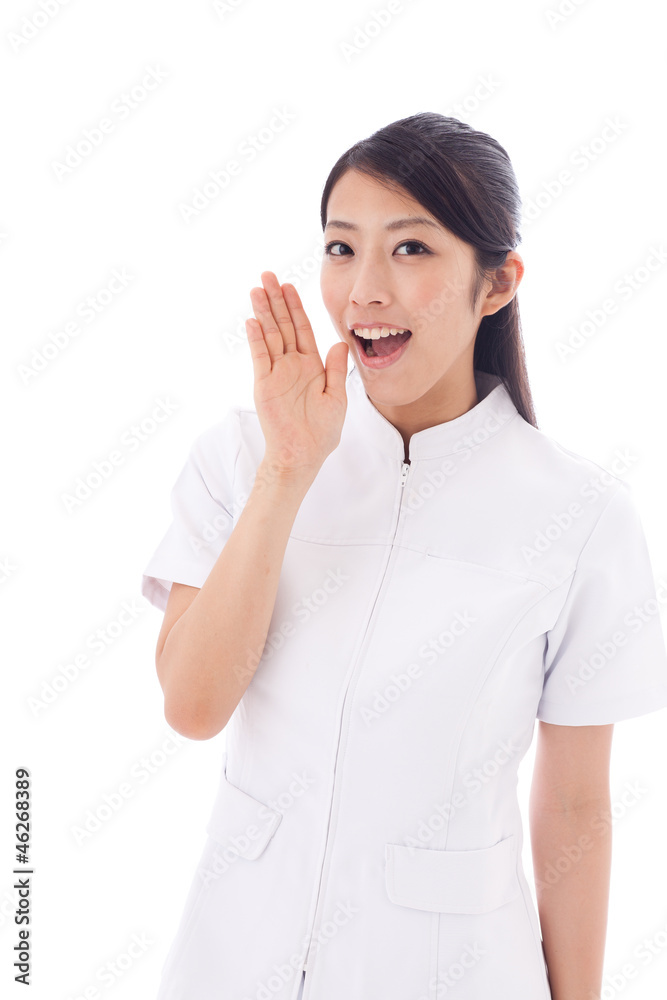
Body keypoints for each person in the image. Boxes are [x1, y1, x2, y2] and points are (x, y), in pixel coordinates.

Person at [141, 113, 667, 1000]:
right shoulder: (242, 458)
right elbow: (193, 706)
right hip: (233, 960)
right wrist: (287, 470)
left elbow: (575, 804)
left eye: (411, 249)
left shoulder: (579, 516)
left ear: (496, 285)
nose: (364, 290)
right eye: (341, 249)